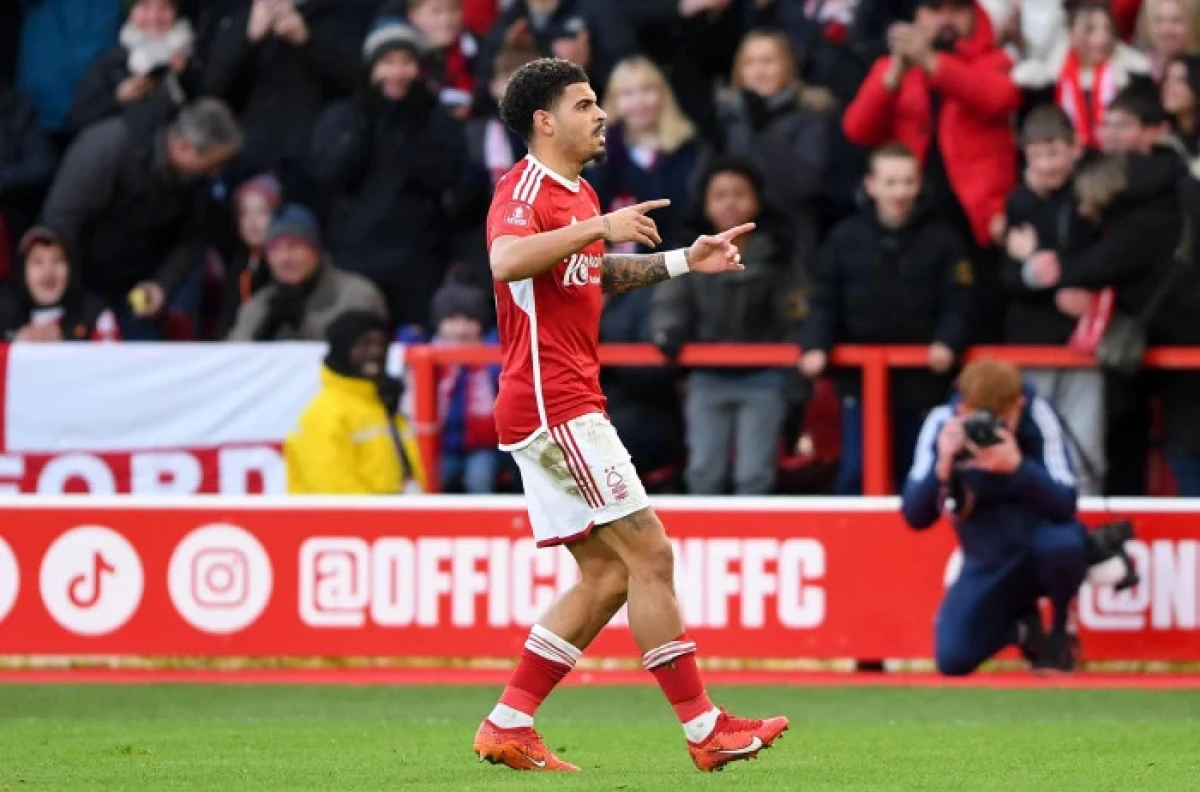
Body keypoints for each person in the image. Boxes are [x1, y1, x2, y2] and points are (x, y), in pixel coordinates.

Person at [474, 57, 787, 774]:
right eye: (585, 104)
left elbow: (589, 272)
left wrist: (683, 262)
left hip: (563, 401)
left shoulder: (579, 194)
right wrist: (603, 225)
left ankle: (509, 722)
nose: (601, 113)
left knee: (609, 578)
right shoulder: (525, 190)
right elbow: (507, 260)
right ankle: (705, 728)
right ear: (545, 121)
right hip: (555, 404)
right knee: (651, 554)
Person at [901, 358, 1132, 674]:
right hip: (985, 556)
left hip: (1042, 542)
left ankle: (1061, 629)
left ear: (1018, 404)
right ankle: (1024, 630)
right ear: (962, 409)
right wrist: (941, 468)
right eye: (977, 418)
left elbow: (1065, 503)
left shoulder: (1039, 415)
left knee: (1063, 544)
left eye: (1001, 420)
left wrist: (1019, 468)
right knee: (953, 658)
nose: (988, 431)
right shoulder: (943, 423)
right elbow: (915, 516)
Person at [843, 0, 1021, 342]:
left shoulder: (994, 61)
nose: (945, 20)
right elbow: (857, 129)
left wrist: (930, 62)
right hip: (914, 212)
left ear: (973, 16)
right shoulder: (890, 66)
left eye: (956, 10)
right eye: (935, 10)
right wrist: (893, 75)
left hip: (976, 219)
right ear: (918, 17)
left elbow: (996, 98)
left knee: (980, 318)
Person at [802, 143, 972, 495]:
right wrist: (815, 345)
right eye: (891, 182)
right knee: (856, 473)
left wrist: (948, 342)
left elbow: (961, 302)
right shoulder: (844, 237)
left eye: (908, 182)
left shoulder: (944, 238)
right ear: (871, 185)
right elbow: (823, 300)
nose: (900, 191)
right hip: (859, 383)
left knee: (921, 476)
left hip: (925, 381)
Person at [309, 13, 478, 331]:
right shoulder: (344, 116)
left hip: (418, 263)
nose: (397, 72)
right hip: (354, 262)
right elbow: (326, 176)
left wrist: (419, 126)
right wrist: (364, 125)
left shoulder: (436, 119)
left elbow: (458, 187)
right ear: (372, 67)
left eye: (406, 62)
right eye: (388, 62)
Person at [653, 157, 801, 496]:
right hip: (707, 375)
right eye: (720, 195)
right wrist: (669, 332)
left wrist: (796, 351)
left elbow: (796, 311)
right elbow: (670, 299)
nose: (730, 202)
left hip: (765, 376)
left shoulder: (779, 253)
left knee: (754, 475)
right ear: (705, 202)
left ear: (758, 200)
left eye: (740, 193)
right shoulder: (689, 251)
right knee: (703, 472)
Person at [39, 98, 242, 339]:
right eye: (213, 163)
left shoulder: (199, 181)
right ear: (184, 147)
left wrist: (162, 287)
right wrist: (71, 294)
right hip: (80, 285)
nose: (216, 171)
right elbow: (59, 222)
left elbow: (194, 238)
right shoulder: (108, 147)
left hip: (138, 292)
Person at [1001, 106, 1105, 497]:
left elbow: (1102, 258)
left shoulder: (1091, 196)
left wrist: (1051, 269)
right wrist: (1034, 272)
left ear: (1075, 149)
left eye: (1054, 153)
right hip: (1031, 343)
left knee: (1085, 445)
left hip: (1083, 342)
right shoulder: (1018, 203)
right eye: (1037, 155)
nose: (1046, 165)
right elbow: (1007, 278)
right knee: (1031, 442)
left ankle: (1086, 524)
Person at [718, 30, 830, 272]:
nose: (759, 71)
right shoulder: (726, 118)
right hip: (739, 242)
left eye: (768, 61)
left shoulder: (810, 116)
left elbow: (803, 184)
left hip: (793, 242)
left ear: (786, 67)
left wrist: (763, 131)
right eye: (750, 62)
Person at [285, 310, 425, 494]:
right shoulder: (324, 415)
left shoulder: (386, 407)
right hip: (350, 521)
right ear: (343, 350)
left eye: (381, 344)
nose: (375, 352)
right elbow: (336, 496)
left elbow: (412, 477)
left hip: (396, 518)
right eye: (364, 344)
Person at [588, 56, 704, 255]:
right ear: (614, 102)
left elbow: (686, 212)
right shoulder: (598, 151)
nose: (639, 102)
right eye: (628, 93)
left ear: (663, 95)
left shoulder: (687, 149)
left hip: (674, 259)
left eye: (647, 90)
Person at [226, 204, 387, 341]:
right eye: (274, 250)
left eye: (293, 247)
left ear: (314, 250)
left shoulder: (356, 294)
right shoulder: (260, 305)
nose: (284, 258)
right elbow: (233, 358)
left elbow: (362, 353)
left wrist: (304, 327)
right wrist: (264, 331)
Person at [1011, 0, 1151, 151]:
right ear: (1070, 33)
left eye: (1107, 29)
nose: (1102, 38)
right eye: (1090, 30)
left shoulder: (1134, 77)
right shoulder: (1046, 82)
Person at [67, 0, 199, 137]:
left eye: (164, 7)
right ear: (130, 13)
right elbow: (77, 119)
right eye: (145, 6)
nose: (154, 17)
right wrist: (118, 99)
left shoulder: (195, 56)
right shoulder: (113, 60)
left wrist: (184, 75)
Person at [0, 226, 120, 342]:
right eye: (38, 262)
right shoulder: (5, 315)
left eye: (58, 260)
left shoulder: (95, 314)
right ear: (22, 271)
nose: (48, 272)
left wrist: (66, 340)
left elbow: (112, 359)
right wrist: (16, 345)